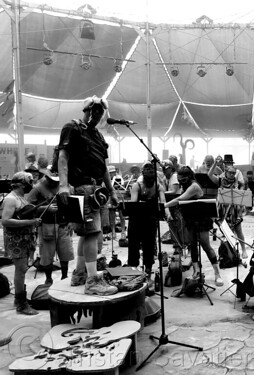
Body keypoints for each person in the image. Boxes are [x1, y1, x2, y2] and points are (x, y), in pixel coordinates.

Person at [56, 95, 118, 296]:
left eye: (101, 112)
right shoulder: (72, 128)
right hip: (83, 189)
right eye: (95, 110)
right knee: (91, 233)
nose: (98, 115)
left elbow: (104, 168)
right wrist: (63, 185)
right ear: (87, 109)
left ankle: (80, 273)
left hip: (96, 190)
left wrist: (112, 191)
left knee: (86, 233)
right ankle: (92, 281)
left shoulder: (98, 136)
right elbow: (63, 157)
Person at [165, 166, 224, 286]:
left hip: (201, 219)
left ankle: (217, 273)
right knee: (192, 246)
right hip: (191, 218)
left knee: (206, 246)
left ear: (189, 177)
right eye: (179, 180)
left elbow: (181, 199)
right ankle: (196, 271)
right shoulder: (186, 185)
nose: (180, 182)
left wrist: (164, 205)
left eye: (183, 180)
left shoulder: (194, 186)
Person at [1, 172, 42, 314]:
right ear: (22, 184)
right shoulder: (11, 199)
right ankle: (21, 303)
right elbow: (5, 220)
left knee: (23, 269)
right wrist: (31, 222)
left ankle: (20, 299)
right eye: (29, 182)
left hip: (25, 239)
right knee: (20, 270)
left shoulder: (20, 198)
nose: (31, 185)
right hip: (16, 240)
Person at [26, 171, 73, 284]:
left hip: (63, 224)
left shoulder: (66, 187)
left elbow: (72, 204)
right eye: (51, 180)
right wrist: (45, 208)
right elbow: (28, 208)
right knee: (47, 254)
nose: (54, 183)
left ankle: (64, 277)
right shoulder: (37, 188)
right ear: (47, 177)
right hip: (46, 225)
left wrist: (72, 220)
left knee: (65, 252)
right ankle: (48, 279)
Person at [127, 161, 166, 283]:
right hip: (136, 220)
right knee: (133, 246)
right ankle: (133, 271)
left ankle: (148, 272)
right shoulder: (136, 186)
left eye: (151, 170)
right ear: (143, 173)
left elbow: (163, 202)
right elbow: (133, 204)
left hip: (150, 220)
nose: (149, 172)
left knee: (149, 246)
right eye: (147, 169)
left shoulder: (159, 186)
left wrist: (167, 213)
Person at [208, 163, 248, 259]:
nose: (232, 175)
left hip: (234, 208)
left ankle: (243, 250)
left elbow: (242, 196)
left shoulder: (238, 183)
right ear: (226, 172)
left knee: (238, 230)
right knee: (225, 230)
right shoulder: (220, 180)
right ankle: (228, 251)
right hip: (222, 208)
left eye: (234, 173)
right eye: (230, 173)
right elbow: (209, 175)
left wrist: (241, 209)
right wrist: (215, 164)